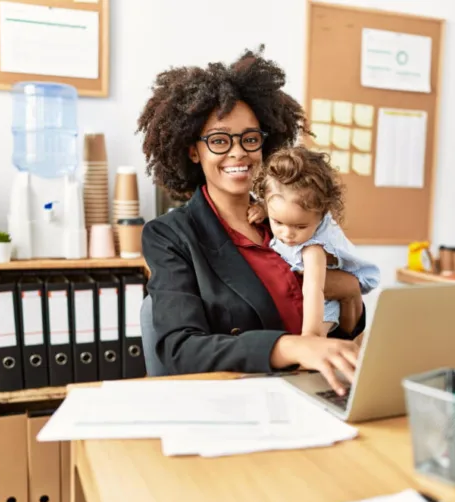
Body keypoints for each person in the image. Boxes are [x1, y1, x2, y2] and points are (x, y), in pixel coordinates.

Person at [137, 47, 365, 395]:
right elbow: (180, 349)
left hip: (317, 389)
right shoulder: (171, 236)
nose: (238, 151)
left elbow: (337, 326)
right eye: (218, 140)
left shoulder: (289, 214)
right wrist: (290, 346)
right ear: (192, 150)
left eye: (250, 138)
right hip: (238, 398)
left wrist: (352, 296)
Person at [248, 146, 380, 338]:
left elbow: (314, 290)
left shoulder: (314, 249)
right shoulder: (281, 204)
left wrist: (310, 336)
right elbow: (278, 205)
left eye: (300, 226)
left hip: (325, 305)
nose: (287, 234)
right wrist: (262, 210)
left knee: (317, 337)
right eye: (278, 222)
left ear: (321, 215)